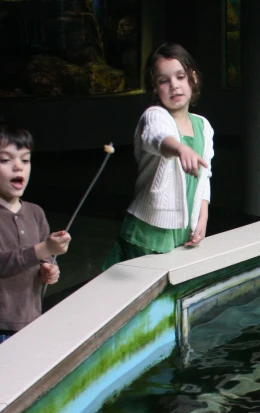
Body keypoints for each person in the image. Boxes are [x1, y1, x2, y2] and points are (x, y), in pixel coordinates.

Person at [0, 120, 71, 359]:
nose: (18, 167)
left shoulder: (35, 212)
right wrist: (44, 249)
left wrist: (50, 268)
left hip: (31, 321)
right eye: (5, 160)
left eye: (25, 159)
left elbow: (47, 258)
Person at [103, 42, 214, 270]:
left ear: (192, 78)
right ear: (154, 88)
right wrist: (180, 148)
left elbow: (205, 177)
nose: (174, 86)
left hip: (183, 230)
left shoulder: (203, 126)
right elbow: (157, 137)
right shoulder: (154, 115)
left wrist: (202, 217)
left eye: (180, 77)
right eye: (164, 81)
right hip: (148, 232)